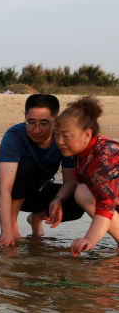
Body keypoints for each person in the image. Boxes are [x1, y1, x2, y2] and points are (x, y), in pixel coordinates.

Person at [0, 94, 83, 246]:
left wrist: (58, 199)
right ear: (25, 117)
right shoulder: (15, 136)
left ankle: (36, 218)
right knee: (27, 166)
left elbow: (70, 181)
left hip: (39, 190)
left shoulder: (62, 139)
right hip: (9, 194)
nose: (36, 130)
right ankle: (12, 223)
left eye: (44, 123)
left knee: (78, 198)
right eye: (31, 122)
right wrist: (6, 230)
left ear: (56, 122)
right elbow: (5, 187)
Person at [54, 97, 119, 256]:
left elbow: (106, 204)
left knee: (82, 193)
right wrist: (58, 200)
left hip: (110, 202)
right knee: (82, 190)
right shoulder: (81, 152)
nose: (60, 141)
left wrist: (89, 239)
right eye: (57, 135)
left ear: (87, 134)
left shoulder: (103, 156)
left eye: (67, 136)